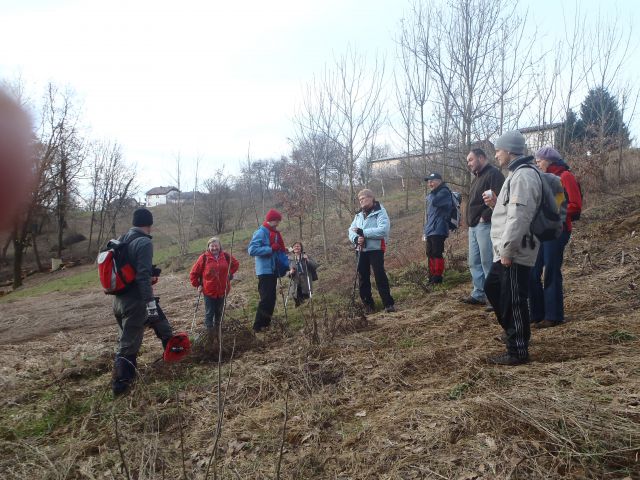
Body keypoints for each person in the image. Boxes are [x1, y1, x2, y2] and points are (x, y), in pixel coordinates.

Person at [483, 130, 541, 365]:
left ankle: (518, 350)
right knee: (494, 287)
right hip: (507, 248)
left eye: (498, 150)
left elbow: (520, 216)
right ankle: (514, 332)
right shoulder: (515, 175)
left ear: (509, 150)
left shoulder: (523, 176)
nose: (496, 155)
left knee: (515, 298)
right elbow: (511, 210)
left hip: (515, 249)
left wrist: (507, 250)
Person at [112, 208, 174, 395]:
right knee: (128, 345)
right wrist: (150, 303)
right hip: (136, 302)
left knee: (162, 325)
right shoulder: (144, 242)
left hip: (119, 301)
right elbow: (142, 277)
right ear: (149, 224)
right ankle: (121, 388)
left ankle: (173, 358)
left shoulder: (123, 239)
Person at [529, 146, 582, 329]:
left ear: (550, 160)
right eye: (535, 161)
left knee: (551, 269)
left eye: (539, 161)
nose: (537, 164)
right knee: (533, 270)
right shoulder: (540, 179)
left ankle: (553, 316)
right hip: (541, 231)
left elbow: (575, 205)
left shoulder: (565, 176)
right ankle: (536, 314)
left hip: (558, 231)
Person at [461, 149, 505, 305]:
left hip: (485, 224)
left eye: (471, 160)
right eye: (468, 161)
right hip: (473, 226)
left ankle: (494, 298)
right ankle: (479, 293)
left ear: (481, 158)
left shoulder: (494, 174)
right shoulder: (477, 178)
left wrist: (484, 217)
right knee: (474, 262)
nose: (469, 163)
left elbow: (500, 198)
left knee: (488, 261)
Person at [348, 189, 395, 313]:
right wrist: (356, 238)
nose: (361, 201)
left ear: (371, 198)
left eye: (363, 198)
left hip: (376, 249)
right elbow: (351, 230)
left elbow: (383, 230)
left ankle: (388, 304)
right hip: (360, 249)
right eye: (360, 199)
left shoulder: (380, 212)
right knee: (363, 278)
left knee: (379, 275)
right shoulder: (358, 215)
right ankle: (368, 306)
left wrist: (364, 233)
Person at [248, 209, 290, 332]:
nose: (278, 223)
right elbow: (252, 250)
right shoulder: (261, 232)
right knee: (266, 298)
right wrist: (270, 249)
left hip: (272, 270)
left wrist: (282, 250)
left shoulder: (274, 233)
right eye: (277, 221)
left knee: (271, 298)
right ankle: (257, 326)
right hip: (264, 270)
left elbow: (275, 250)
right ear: (271, 220)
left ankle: (266, 324)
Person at [189, 237, 239, 330]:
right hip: (209, 291)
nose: (214, 248)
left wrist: (230, 273)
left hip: (223, 290)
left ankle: (218, 331)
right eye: (212, 246)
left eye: (216, 246)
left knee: (219, 312)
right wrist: (198, 285)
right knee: (209, 313)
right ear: (208, 247)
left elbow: (235, 264)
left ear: (220, 246)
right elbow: (193, 273)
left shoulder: (226, 256)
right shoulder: (203, 258)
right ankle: (209, 334)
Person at [424, 173, 453, 284]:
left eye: (432, 181)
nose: (430, 184)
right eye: (429, 182)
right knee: (430, 253)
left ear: (440, 181)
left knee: (437, 252)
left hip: (439, 228)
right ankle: (431, 276)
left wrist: (431, 194)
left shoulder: (444, 192)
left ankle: (437, 277)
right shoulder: (435, 193)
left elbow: (435, 202)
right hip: (431, 228)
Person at [287, 241, 318, 307]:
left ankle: (308, 313)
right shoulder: (290, 259)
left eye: (298, 246)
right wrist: (290, 272)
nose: (296, 247)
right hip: (295, 282)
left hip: (306, 282)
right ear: (292, 248)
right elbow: (286, 272)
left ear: (301, 248)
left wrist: (307, 260)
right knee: (297, 300)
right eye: (295, 246)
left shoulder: (306, 256)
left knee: (306, 299)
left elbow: (315, 266)